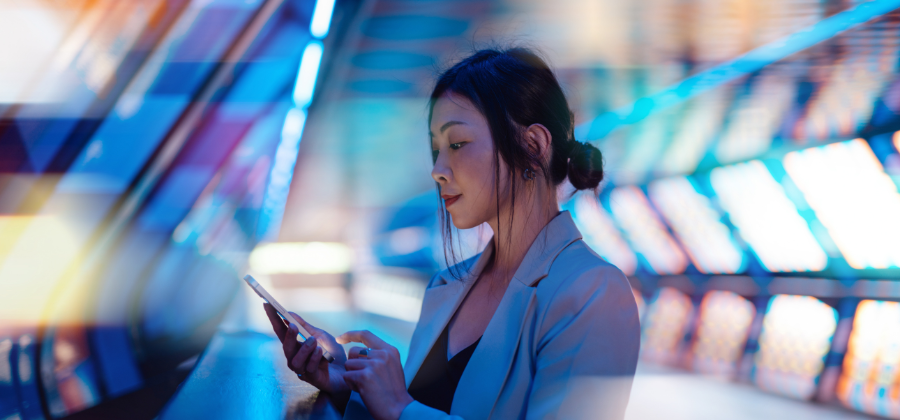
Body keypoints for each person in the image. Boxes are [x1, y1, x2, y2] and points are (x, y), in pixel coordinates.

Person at [264, 47, 641, 420]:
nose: (438, 170)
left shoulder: (593, 293)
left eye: (457, 144)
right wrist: (349, 386)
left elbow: (407, 411)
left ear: (533, 146)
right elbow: (419, 409)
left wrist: (399, 407)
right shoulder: (447, 286)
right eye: (436, 149)